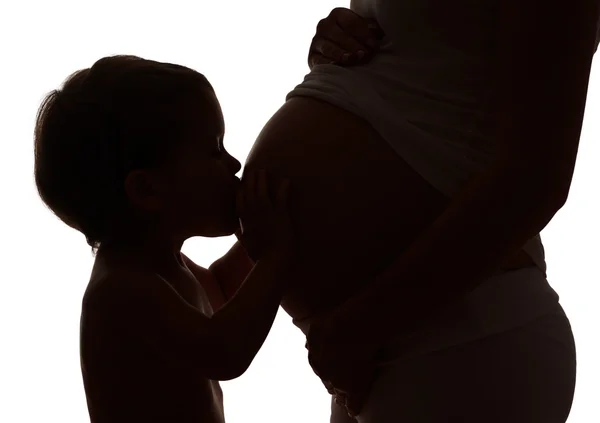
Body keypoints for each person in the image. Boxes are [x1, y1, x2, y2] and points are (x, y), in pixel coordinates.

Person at [236, 3, 600, 422]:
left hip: (459, 337)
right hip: (373, 343)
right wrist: (333, 53)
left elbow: (535, 179)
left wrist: (354, 331)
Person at [33, 55, 300, 423]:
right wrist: (275, 255)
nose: (233, 164)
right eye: (213, 150)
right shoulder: (120, 291)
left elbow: (220, 291)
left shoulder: (161, 263)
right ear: (147, 189)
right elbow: (224, 352)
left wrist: (266, 230)